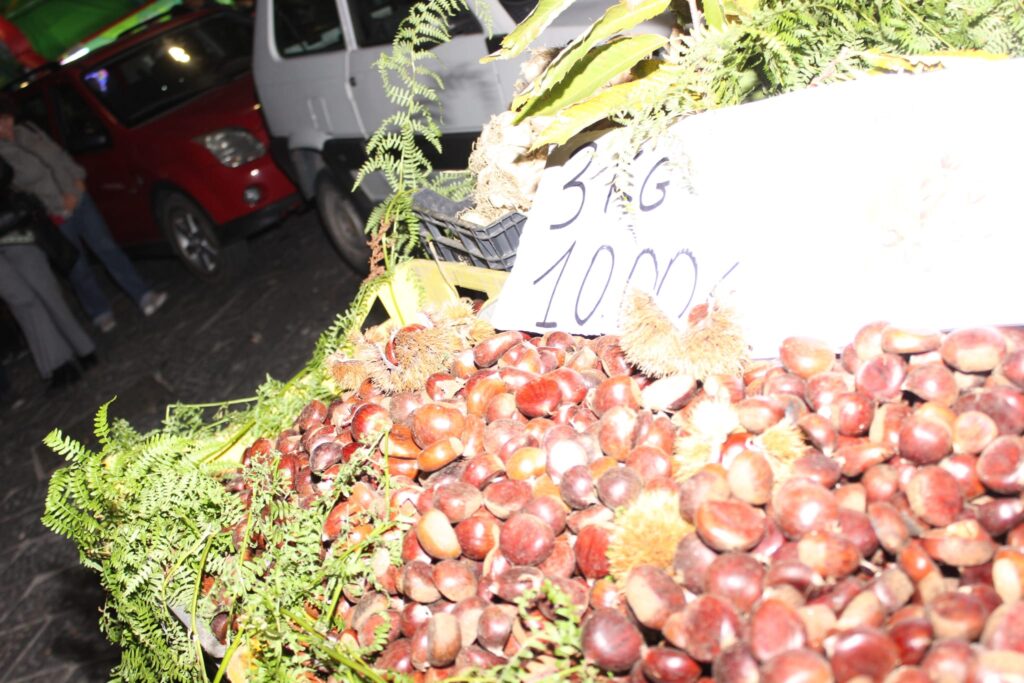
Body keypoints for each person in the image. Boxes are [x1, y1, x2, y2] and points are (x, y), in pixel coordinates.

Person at [0, 95, 167, 333]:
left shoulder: (28, 130)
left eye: (6, 118)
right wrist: (57, 204)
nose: (5, 126)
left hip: (79, 197)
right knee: (78, 266)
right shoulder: (2, 157)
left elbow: (58, 155)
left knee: (106, 247)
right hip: (54, 213)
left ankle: (142, 293)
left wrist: (77, 180)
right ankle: (99, 311)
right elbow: (21, 193)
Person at [0, 158, 96, 391]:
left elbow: (5, 171)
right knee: (22, 302)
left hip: (12, 229)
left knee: (46, 291)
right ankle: (59, 365)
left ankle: (83, 349)